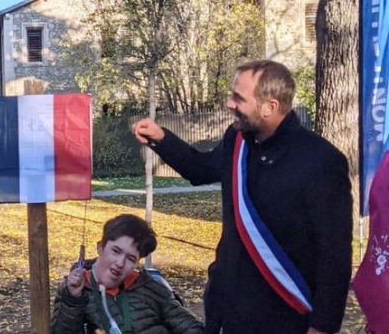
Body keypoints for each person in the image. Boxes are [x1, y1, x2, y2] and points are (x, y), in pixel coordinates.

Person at [132, 60, 352, 334]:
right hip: (228, 309)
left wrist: (322, 327)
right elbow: (200, 169)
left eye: (239, 98)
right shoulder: (238, 141)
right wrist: (160, 138)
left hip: (284, 317)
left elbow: (335, 254)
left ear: (270, 106)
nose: (229, 104)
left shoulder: (322, 160)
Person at [50, 214, 203, 334]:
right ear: (101, 247)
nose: (120, 263)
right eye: (116, 251)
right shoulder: (76, 290)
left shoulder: (151, 287)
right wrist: (72, 300)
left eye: (130, 258)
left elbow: (188, 325)